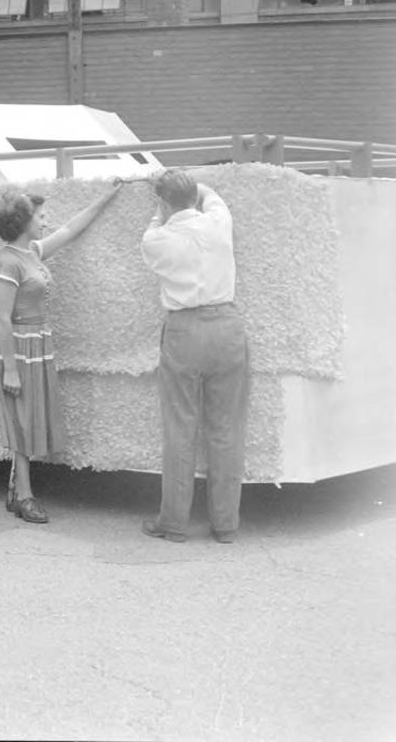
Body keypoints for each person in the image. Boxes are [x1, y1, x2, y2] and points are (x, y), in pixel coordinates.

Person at [0, 183, 122, 524]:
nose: (45, 221)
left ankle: (16, 488)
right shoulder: (7, 260)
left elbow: (71, 230)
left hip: (38, 345)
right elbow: (2, 318)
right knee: (21, 426)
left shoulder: (32, 251)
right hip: (17, 349)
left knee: (31, 420)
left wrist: (107, 196)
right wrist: (11, 369)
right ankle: (24, 497)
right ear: (22, 221)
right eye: (40, 216)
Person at [138, 169, 249, 544]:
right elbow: (210, 194)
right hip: (226, 325)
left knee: (180, 429)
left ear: (164, 202)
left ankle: (173, 523)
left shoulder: (157, 238)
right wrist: (189, 187)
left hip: (184, 330)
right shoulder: (219, 222)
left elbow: (158, 222)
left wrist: (160, 205)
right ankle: (226, 525)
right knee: (226, 430)